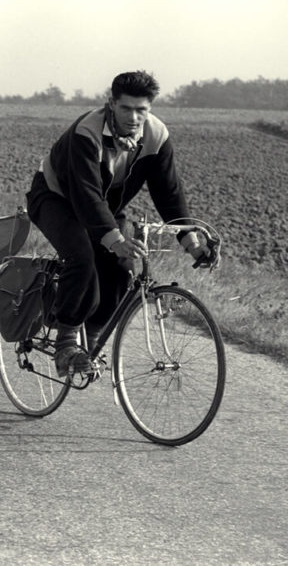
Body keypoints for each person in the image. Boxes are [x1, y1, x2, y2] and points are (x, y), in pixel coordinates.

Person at [25, 70, 213, 376]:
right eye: (126, 108)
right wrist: (115, 239)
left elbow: (169, 193)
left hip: (105, 206)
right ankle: (66, 343)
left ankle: (92, 342)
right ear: (111, 104)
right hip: (56, 198)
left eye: (142, 110)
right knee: (82, 257)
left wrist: (190, 240)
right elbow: (85, 196)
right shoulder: (87, 132)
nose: (135, 117)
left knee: (120, 270)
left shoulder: (156, 135)